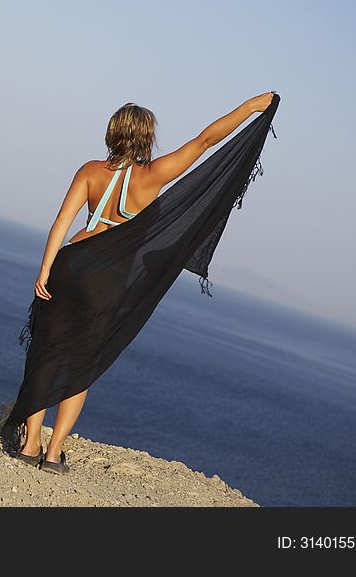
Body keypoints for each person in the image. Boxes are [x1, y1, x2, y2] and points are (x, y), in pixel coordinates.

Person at [14, 91, 277, 475]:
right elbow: (205, 140)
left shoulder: (89, 170)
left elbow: (61, 223)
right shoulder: (154, 175)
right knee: (80, 364)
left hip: (69, 265)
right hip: (108, 279)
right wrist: (251, 107)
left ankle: (29, 444)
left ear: (111, 133)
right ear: (147, 138)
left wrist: (44, 270)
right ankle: (53, 454)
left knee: (47, 352)